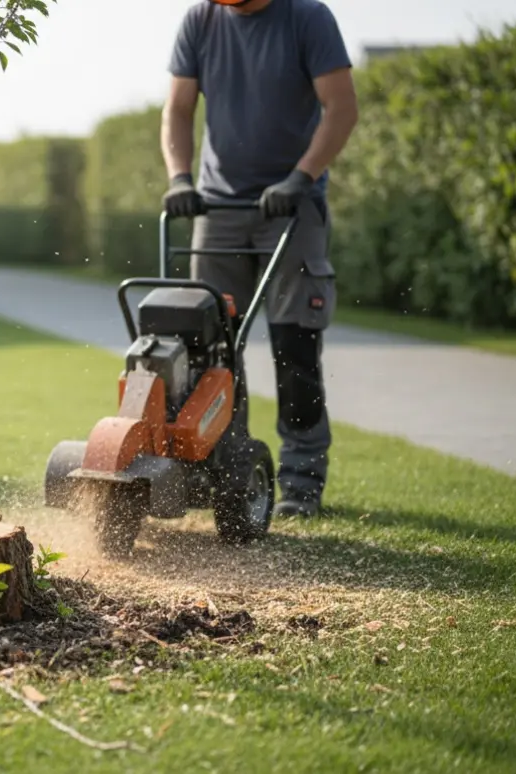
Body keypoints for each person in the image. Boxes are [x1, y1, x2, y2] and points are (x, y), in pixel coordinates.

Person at [159, 0, 358, 517]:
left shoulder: (307, 17)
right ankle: (229, 472)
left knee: (295, 344)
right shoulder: (201, 20)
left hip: (292, 207)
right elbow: (178, 109)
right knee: (210, 350)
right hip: (218, 206)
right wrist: (180, 178)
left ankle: (300, 482)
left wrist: (302, 176)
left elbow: (342, 107)